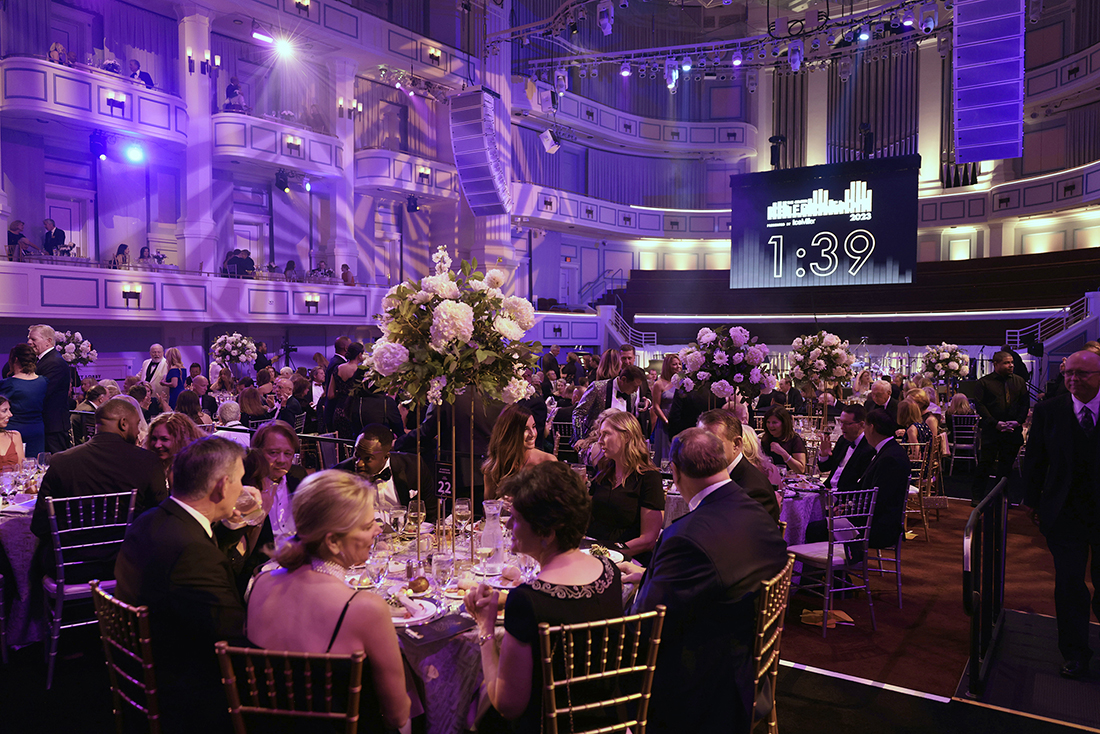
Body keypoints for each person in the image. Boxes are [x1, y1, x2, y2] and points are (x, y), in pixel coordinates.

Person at [629, 428, 788, 734]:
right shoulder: (755, 509)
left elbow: (646, 625)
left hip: (706, 689)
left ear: (674, 473)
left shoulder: (685, 537)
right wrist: (647, 575)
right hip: (748, 665)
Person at [465, 462, 623, 733]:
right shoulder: (609, 572)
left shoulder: (528, 602)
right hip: (611, 722)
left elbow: (508, 704)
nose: (509, 526)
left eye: (516, 519)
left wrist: (485, 628)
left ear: (547, 533)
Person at [247, 470, 410, 728]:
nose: (378, 530)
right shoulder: (364, 608)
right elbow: (397, 715)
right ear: (333, 542)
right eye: (368, 525)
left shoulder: (262, 584)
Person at [114, 437, 252, 733]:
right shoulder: (192, 553)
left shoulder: (150, 519)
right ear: (222, 486)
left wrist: (230, 525)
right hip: (189, 695)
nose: (243, 489)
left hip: (142, 668)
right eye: (240, 481)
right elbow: (235, 641)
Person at [1022, 349, 1100, 680]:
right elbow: (1036, 458)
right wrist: (1032, 501)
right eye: (1069, 373)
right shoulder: (1049, 410)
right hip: (1065, 512)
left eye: (1081, 374)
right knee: (1069, 585)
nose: (1072, 379)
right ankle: (1074, 653)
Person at [32, 398, 166, 571]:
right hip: (128, 564)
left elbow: (40, 525)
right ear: (123, 424)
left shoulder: (61, 462)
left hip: (70, 566)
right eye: (137, 424)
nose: (138, 431)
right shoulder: (147, 461)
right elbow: (160, 517)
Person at [587, 411, 663, 559]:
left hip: (628, 557)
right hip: (593, 552)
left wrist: (610, 553)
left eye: (606, 434)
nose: (600, 441)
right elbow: (586, 515)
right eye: (600, 435)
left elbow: (648, 540)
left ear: (626, 436)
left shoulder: (649, 478)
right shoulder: (603, 470)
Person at [334, 424, 435, 520]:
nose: (359, 463)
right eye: (356, 454)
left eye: (368, 458)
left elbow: (431, 511)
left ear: (386, 457)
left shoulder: (413, 467)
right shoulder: (341, 473)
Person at [697, 408, 780, 522]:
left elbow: (738, 537)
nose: (703, 451)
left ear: (736, 444)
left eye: (713, 443)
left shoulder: (754, 491)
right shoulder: (716, 473)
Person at [971, 350, 1030, 503]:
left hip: (1013, 429)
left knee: (1006, 468)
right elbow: (980, 405)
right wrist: (995, 423)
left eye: (1012, 362)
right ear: (996, 364)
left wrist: (1018, 421)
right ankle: (977, 497)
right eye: (1006, 362)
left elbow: (1025, 404)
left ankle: (1002, 498)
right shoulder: (984, 382)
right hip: (992, 430)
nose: (1011, 365)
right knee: (985, 464)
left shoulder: (1019, 381)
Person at [858, 408, 911, 550]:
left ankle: (835, 570)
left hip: (880, 527)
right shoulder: (888, 449)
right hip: (875, 519)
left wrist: (850, 509)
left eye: (864, 427)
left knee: (815, 529)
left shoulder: (890, 457)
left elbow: (878, 499)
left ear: (872, 428)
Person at [481, 404, 557, 500]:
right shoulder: (493, 468)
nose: (532, 434)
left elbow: (557, 507)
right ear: (510, 433)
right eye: (525, 429)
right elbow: (489, 509)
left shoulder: (547, 462)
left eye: (533, 427)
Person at [572, 364, 651, 440]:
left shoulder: (632, 395)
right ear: (623, 379)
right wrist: (580, 437)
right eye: (635, 386)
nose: (636, 390)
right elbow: (578, 413)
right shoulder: (598, 388)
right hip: (596, 440)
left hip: (621, 443)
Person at [29, 324, 72, 453]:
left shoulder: (54, 362)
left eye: (34, 339)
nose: (29, 342)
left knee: (55, 465)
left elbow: (42, 392)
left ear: (48, 341)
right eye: (29, 339)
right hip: (48, 425)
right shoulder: (44, 361)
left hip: (53, 427)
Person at [0, 344, 48, 456]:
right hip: (37, 430)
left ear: (15, 359)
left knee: (14, 468)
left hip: (13, 430)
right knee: (35, 466)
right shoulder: (43, 382)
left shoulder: (8, 384)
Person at [816, 403, 874, 492]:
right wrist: (824, 455)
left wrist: (834, 492)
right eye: (841, 422)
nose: (842, 427)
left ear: (861, 424)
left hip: (844, 496)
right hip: (828, 489)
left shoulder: (868, 447)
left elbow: (860, 484)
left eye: (847, 423)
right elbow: (825, 468)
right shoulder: (843, 440)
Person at [147, 412, 205, 492]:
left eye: (164, 439)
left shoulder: (184, 470)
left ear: (182, 439)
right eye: (154, 438)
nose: (157, 445)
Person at [651, 353, 682, 463]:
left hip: (678, 420)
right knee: (665, 452)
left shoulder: (681, 382)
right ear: (667, 366)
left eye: (679, 364)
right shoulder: (659, 384)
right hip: (665, 421)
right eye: (674, 364)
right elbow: (656, 406)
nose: (678, 366)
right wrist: (666, 421)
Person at [760, 405, 807, 474]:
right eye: (768, 422)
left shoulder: (795, 440)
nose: (770, 426)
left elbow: (800, 470)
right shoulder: (766, 438)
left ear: (784, 423)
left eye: (774, 422)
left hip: (791, 481)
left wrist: (783, 453)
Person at [0, 395, 26, 471]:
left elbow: (22, 470)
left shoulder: (15, 436)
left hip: (14, 482)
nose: (10, 414)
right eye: (4, 410)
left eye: (9, 410)